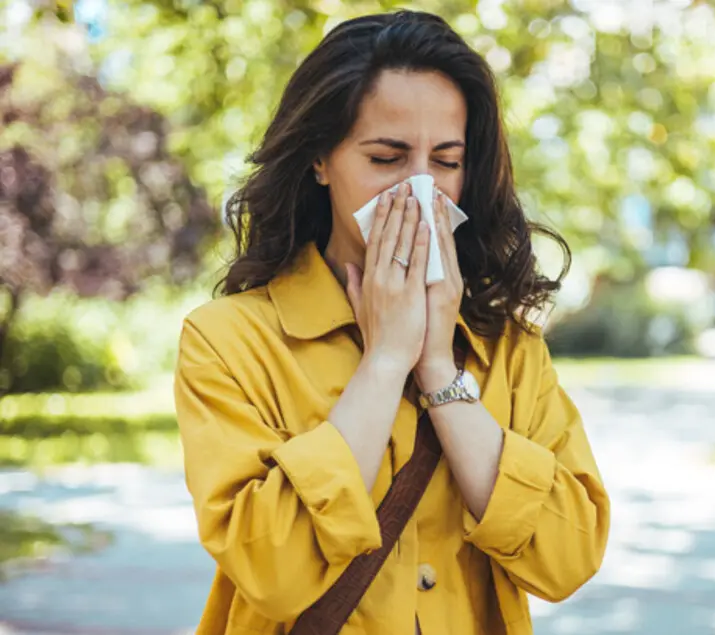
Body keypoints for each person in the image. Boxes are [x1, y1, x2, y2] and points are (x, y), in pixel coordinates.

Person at [173, 9, 610, 635]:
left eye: (447, 161)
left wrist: (438, 367)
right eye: (387, 157)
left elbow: (569, 557)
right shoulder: (228, 341)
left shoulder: (508, 349)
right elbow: (269, 569)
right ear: (320, 159)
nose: (420, 191)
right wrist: (383, 364)